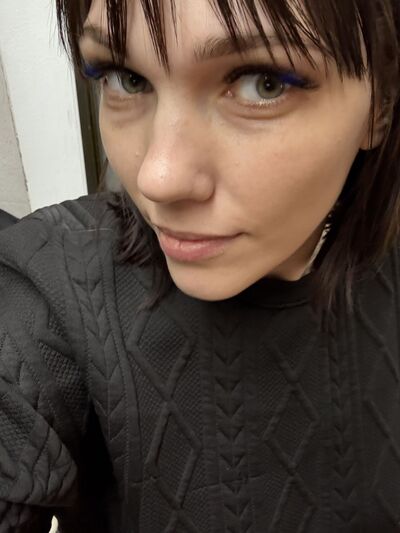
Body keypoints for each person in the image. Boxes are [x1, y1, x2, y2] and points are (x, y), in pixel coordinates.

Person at [0, 0, 399, 531]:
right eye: (125, 78)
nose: (158, 178)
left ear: (381, 105)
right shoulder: (51, 285)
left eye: (262, 83)